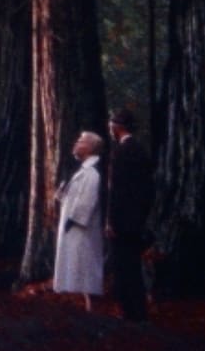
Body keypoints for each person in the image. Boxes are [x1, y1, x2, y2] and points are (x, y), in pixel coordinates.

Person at [105, 108, 153, 322]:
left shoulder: (120, 152)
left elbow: (116, 190)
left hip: (122, 221)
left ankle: (128, 311)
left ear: (117, 126)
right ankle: (139, 310)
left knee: (122, 266)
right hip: (137, 219)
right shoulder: (141, 150)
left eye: (111, 123)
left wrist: (111, 221)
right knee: (133, 265)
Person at [52, 131, 106, 311]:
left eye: (80, 141)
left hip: (81, 230)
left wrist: (73, 220)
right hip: (72, 228)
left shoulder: (92, 174)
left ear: (90, 148)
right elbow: (73, 198)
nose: (76, 144)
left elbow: (87, 202)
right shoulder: (82, 171)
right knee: (74, 267)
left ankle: (91, 308)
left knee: (84, 268)